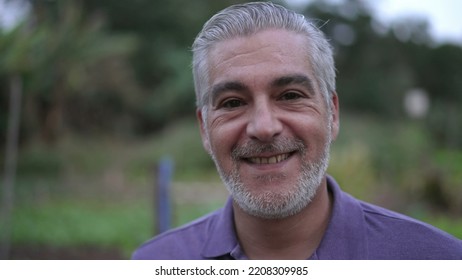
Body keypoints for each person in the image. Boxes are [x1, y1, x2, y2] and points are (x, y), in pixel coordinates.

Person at [132, 2, 462, 260]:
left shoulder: (436, 260)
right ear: (205, 129)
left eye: (290, 96)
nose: (263, 127)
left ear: (332, 113)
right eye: (232, 102)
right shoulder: (157, 263)